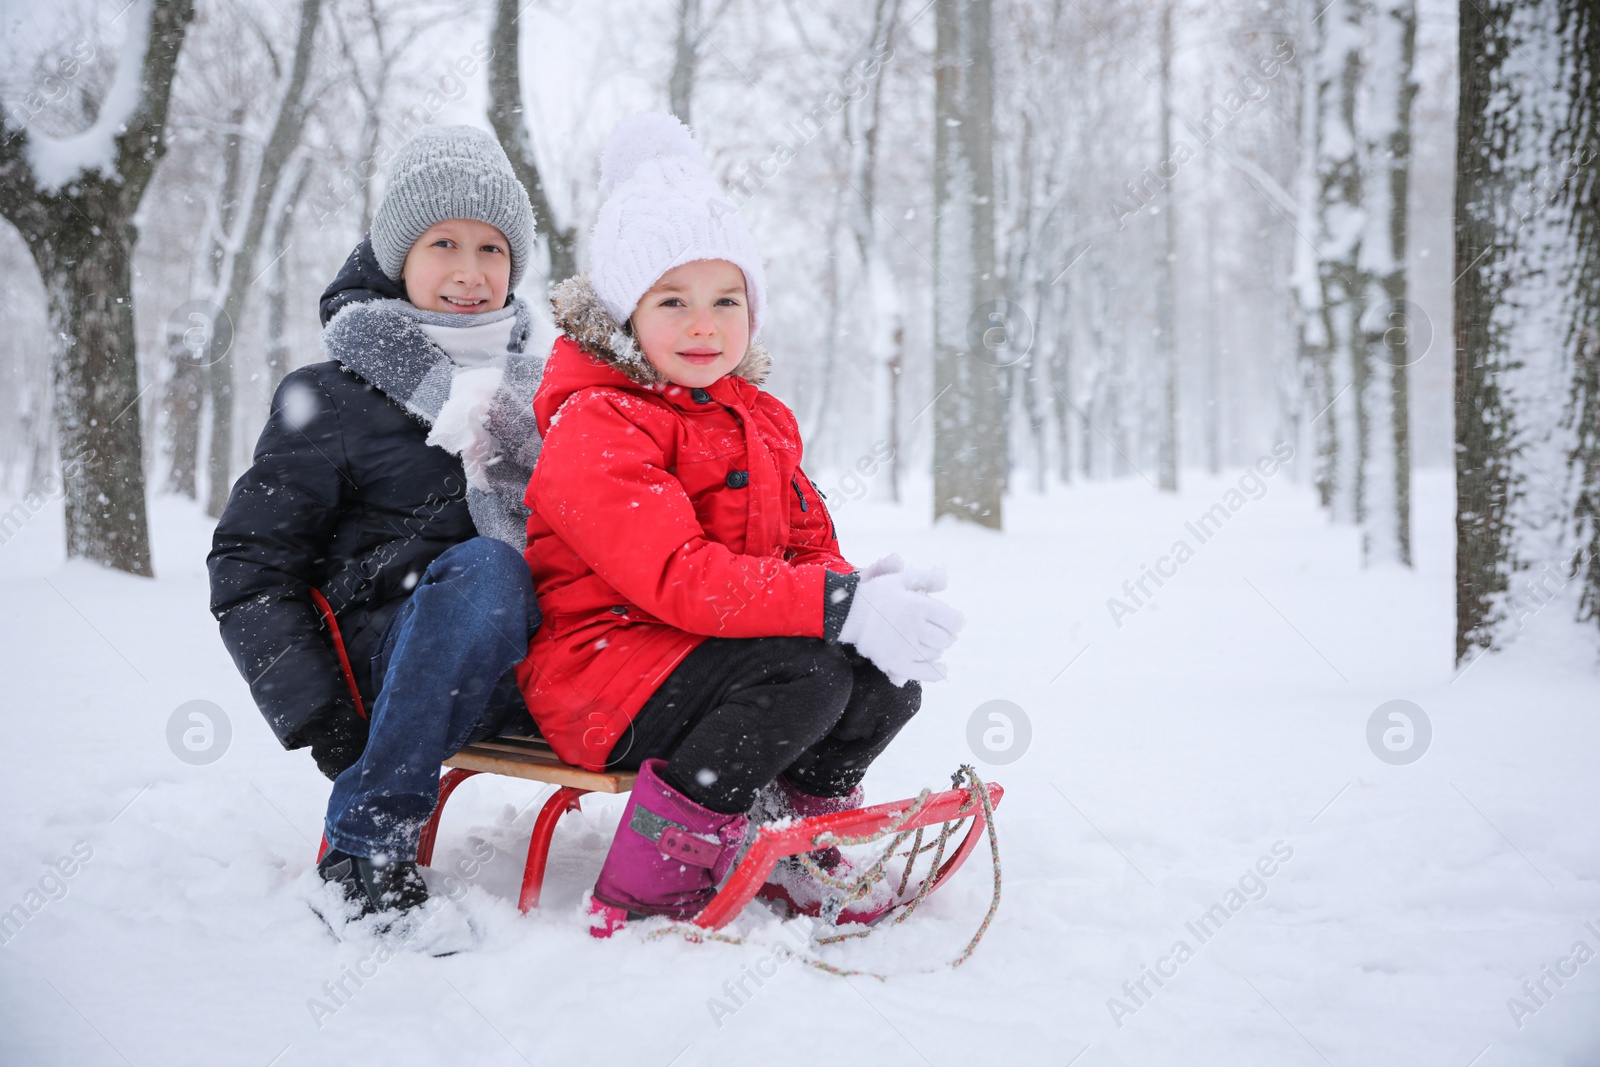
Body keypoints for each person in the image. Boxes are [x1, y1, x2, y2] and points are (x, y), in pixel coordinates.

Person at [519, 114, 964, 935]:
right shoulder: (597, 422)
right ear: (623, 314)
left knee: (880, 676)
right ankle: (651, 878)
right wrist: (833, 606)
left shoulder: (759, 421)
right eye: (674, 300)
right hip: (601, 672)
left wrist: (862, 597)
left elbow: (804, 547)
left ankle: (790, 837)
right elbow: (679, 576)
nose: (704, 323)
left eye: (727, 299)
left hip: (704, 657)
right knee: (809, 672)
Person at [208, 125, 545, 921]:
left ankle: (727, 817)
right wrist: (325, 717)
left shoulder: (546, 395)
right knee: (489, 571)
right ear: (400, 258)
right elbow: (250, 566)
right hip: (384, 670)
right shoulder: (333, 394)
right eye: (444, 244)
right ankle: (366, 841)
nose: (470, 273)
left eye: (492, 250)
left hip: (526, 665)